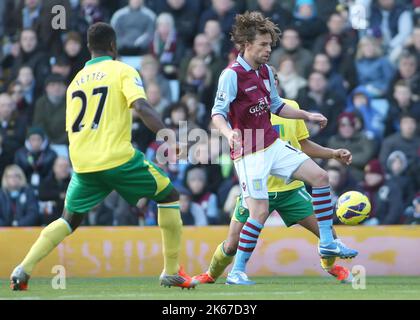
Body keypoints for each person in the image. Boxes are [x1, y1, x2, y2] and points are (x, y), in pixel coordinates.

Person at [10, 22, 198, 290]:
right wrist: (168, 136)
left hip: (84, 164)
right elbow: (141, 106)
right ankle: (170, 271)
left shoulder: (75, 81)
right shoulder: (122, 70)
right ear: (113, 46)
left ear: (89, 48)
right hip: (118, 158)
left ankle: (23, 269)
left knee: (68, 219)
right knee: (169, 196)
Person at [211, 12, 357, 285]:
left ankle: (327, 242)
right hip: (248, 152)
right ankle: (237, 271)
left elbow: (277, 106)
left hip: (271, 144)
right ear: (246, 44)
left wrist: (307, 115)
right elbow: (217, 113)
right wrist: (229, 132)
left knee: (321, 177)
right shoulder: (231, 75)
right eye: (263, 45)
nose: (268, 50)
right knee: (260, 212)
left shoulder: (266, 72)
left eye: (270, 45)